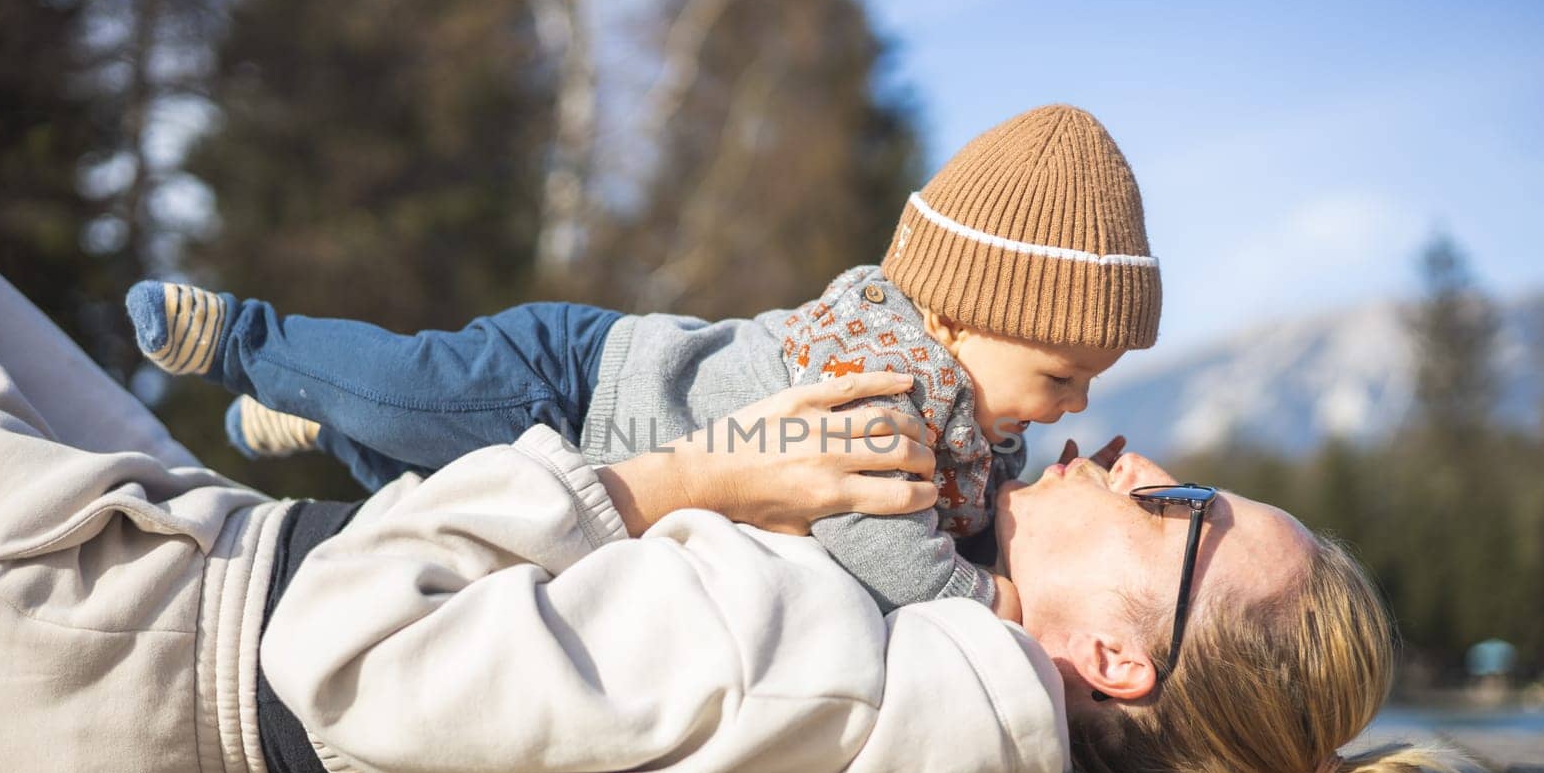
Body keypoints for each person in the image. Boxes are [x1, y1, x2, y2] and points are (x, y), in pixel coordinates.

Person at [0, 265, 1436, 773]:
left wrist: (693, 470)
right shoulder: (915, 586)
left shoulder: (834, 670)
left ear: (1117, 656)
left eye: (1183, 512)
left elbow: (336, 658)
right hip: (201, 547)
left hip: (107, 613)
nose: (1140, 456)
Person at [123, 104, 1156, 617]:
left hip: (589, 456)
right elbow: (883, 548)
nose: (1072, 404)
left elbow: (962, 518)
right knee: (411, 392)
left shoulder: (968, 437)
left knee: (436, 489)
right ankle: (249, 341)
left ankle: (321, 418)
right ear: (959, 322)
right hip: (576, 382)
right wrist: (993, 603)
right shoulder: (882, 394)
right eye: (1061, 374)